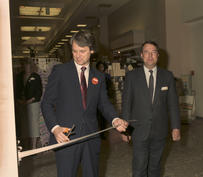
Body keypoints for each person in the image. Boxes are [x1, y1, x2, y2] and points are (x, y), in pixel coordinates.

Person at [41, 30, 128, 177]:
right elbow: (46, 103)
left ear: (92, 50)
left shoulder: (99, 77)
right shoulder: (60, 72)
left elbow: (103, 103)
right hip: (66, 138)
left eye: (82, 51)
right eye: (74, 51)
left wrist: (115, 119)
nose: (77, 55)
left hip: (91, 138)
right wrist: (55, 129)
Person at [121, 41, 181, 177]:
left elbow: (173, 104)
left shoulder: (167, 76)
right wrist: (125, 130)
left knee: (155, 167)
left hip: (159, 130)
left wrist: (176, 127)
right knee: (139, 167)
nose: (150, 56)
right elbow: (126, 103)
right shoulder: (132, 76)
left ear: (158, 55)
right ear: (141, 55)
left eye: (153, 52)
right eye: (146, 52)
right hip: (138, 129)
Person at [15, 59, 43, 149]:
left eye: (28, 65)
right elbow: (16, 90)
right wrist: (20, 101)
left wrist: (29, 101)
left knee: (33, 124)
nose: (26, 66)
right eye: (25, 64)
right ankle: (26, 146)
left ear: (31, 66)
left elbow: (39, 92)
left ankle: (34, 147)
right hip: (21, 104)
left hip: (33, 103)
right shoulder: (19, 76)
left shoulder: (36, 76)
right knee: (24, 125)